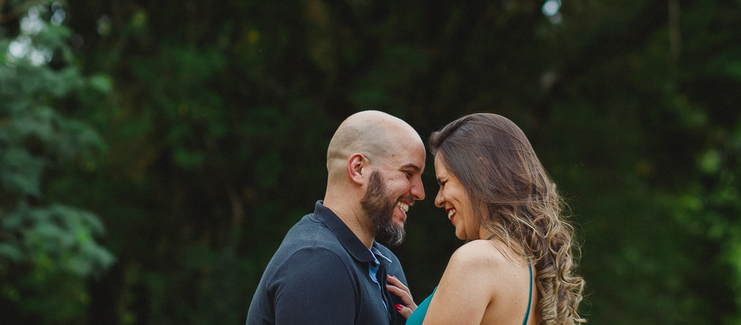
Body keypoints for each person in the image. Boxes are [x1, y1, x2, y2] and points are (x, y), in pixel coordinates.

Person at [387, 113, 584, 325]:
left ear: (482, 172)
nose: (438, 199)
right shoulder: (528, 267)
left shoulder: (477, 261)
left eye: (444, 183)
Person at [245, 110, 427, 325]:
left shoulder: (385, 264)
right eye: (408, 173)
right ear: (358, 169)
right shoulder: (316, 262)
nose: (420, 192)